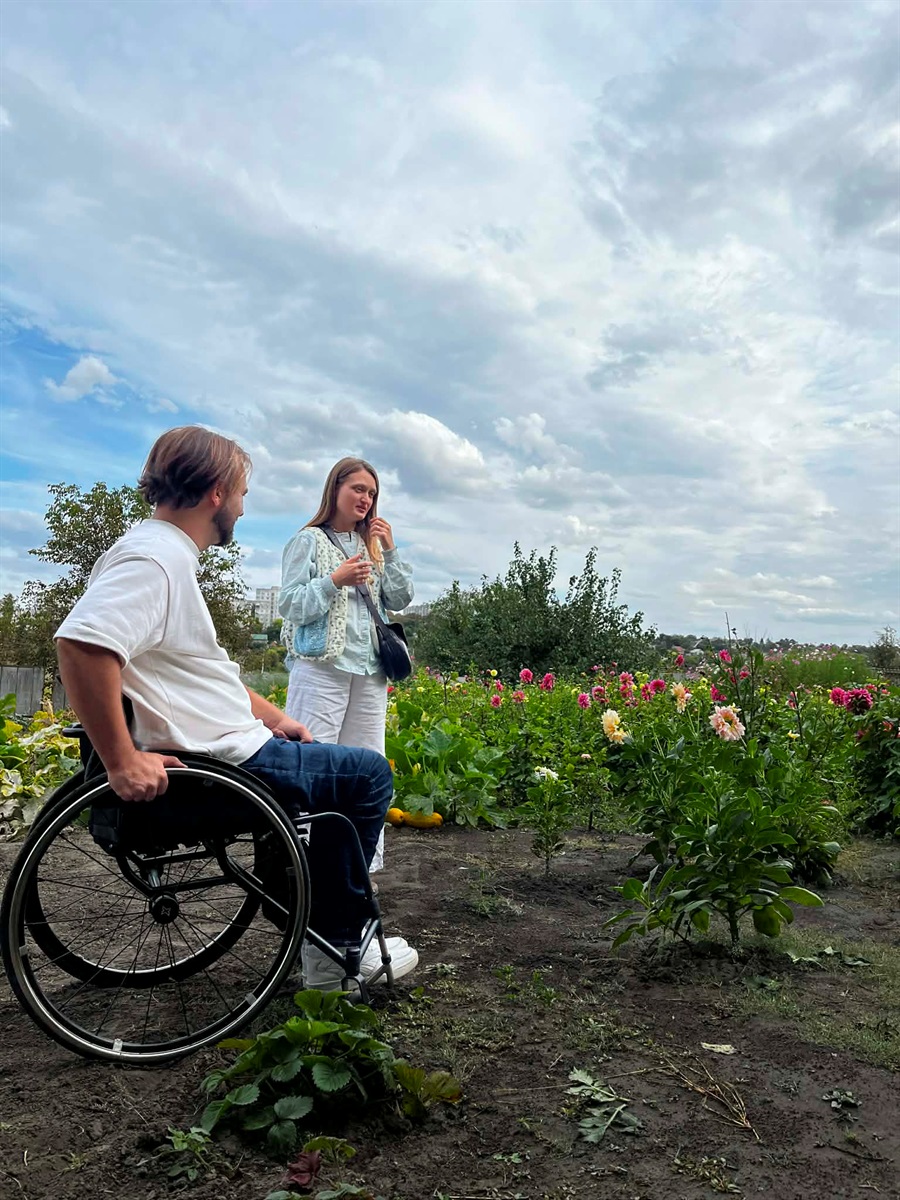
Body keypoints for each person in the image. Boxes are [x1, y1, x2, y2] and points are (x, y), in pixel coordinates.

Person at [54, 425, 418, 991]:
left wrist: (277, 717)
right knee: (368, 776)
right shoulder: (155, 559)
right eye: (243, 493)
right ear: (217, 492)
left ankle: (315, 921)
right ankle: (338, 949)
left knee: (335, 778)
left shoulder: (162, 552)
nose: (244, 509)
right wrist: (122, 761)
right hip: (225, 756)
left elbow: (199, 671)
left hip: (237, 737)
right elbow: (82, 644)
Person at [279, 457, 414, 874]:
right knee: (309, 766)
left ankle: (357, 872)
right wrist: (333, 580)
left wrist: (389, 548)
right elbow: (290, 605)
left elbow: (401, 598)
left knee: (366, 769)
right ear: (335, 489)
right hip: (322, 668)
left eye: (371, 493)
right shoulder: (307, 540)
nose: (365, 498)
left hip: (371, 673)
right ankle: (299, 869)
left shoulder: (370, 546)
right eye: (357, 488)